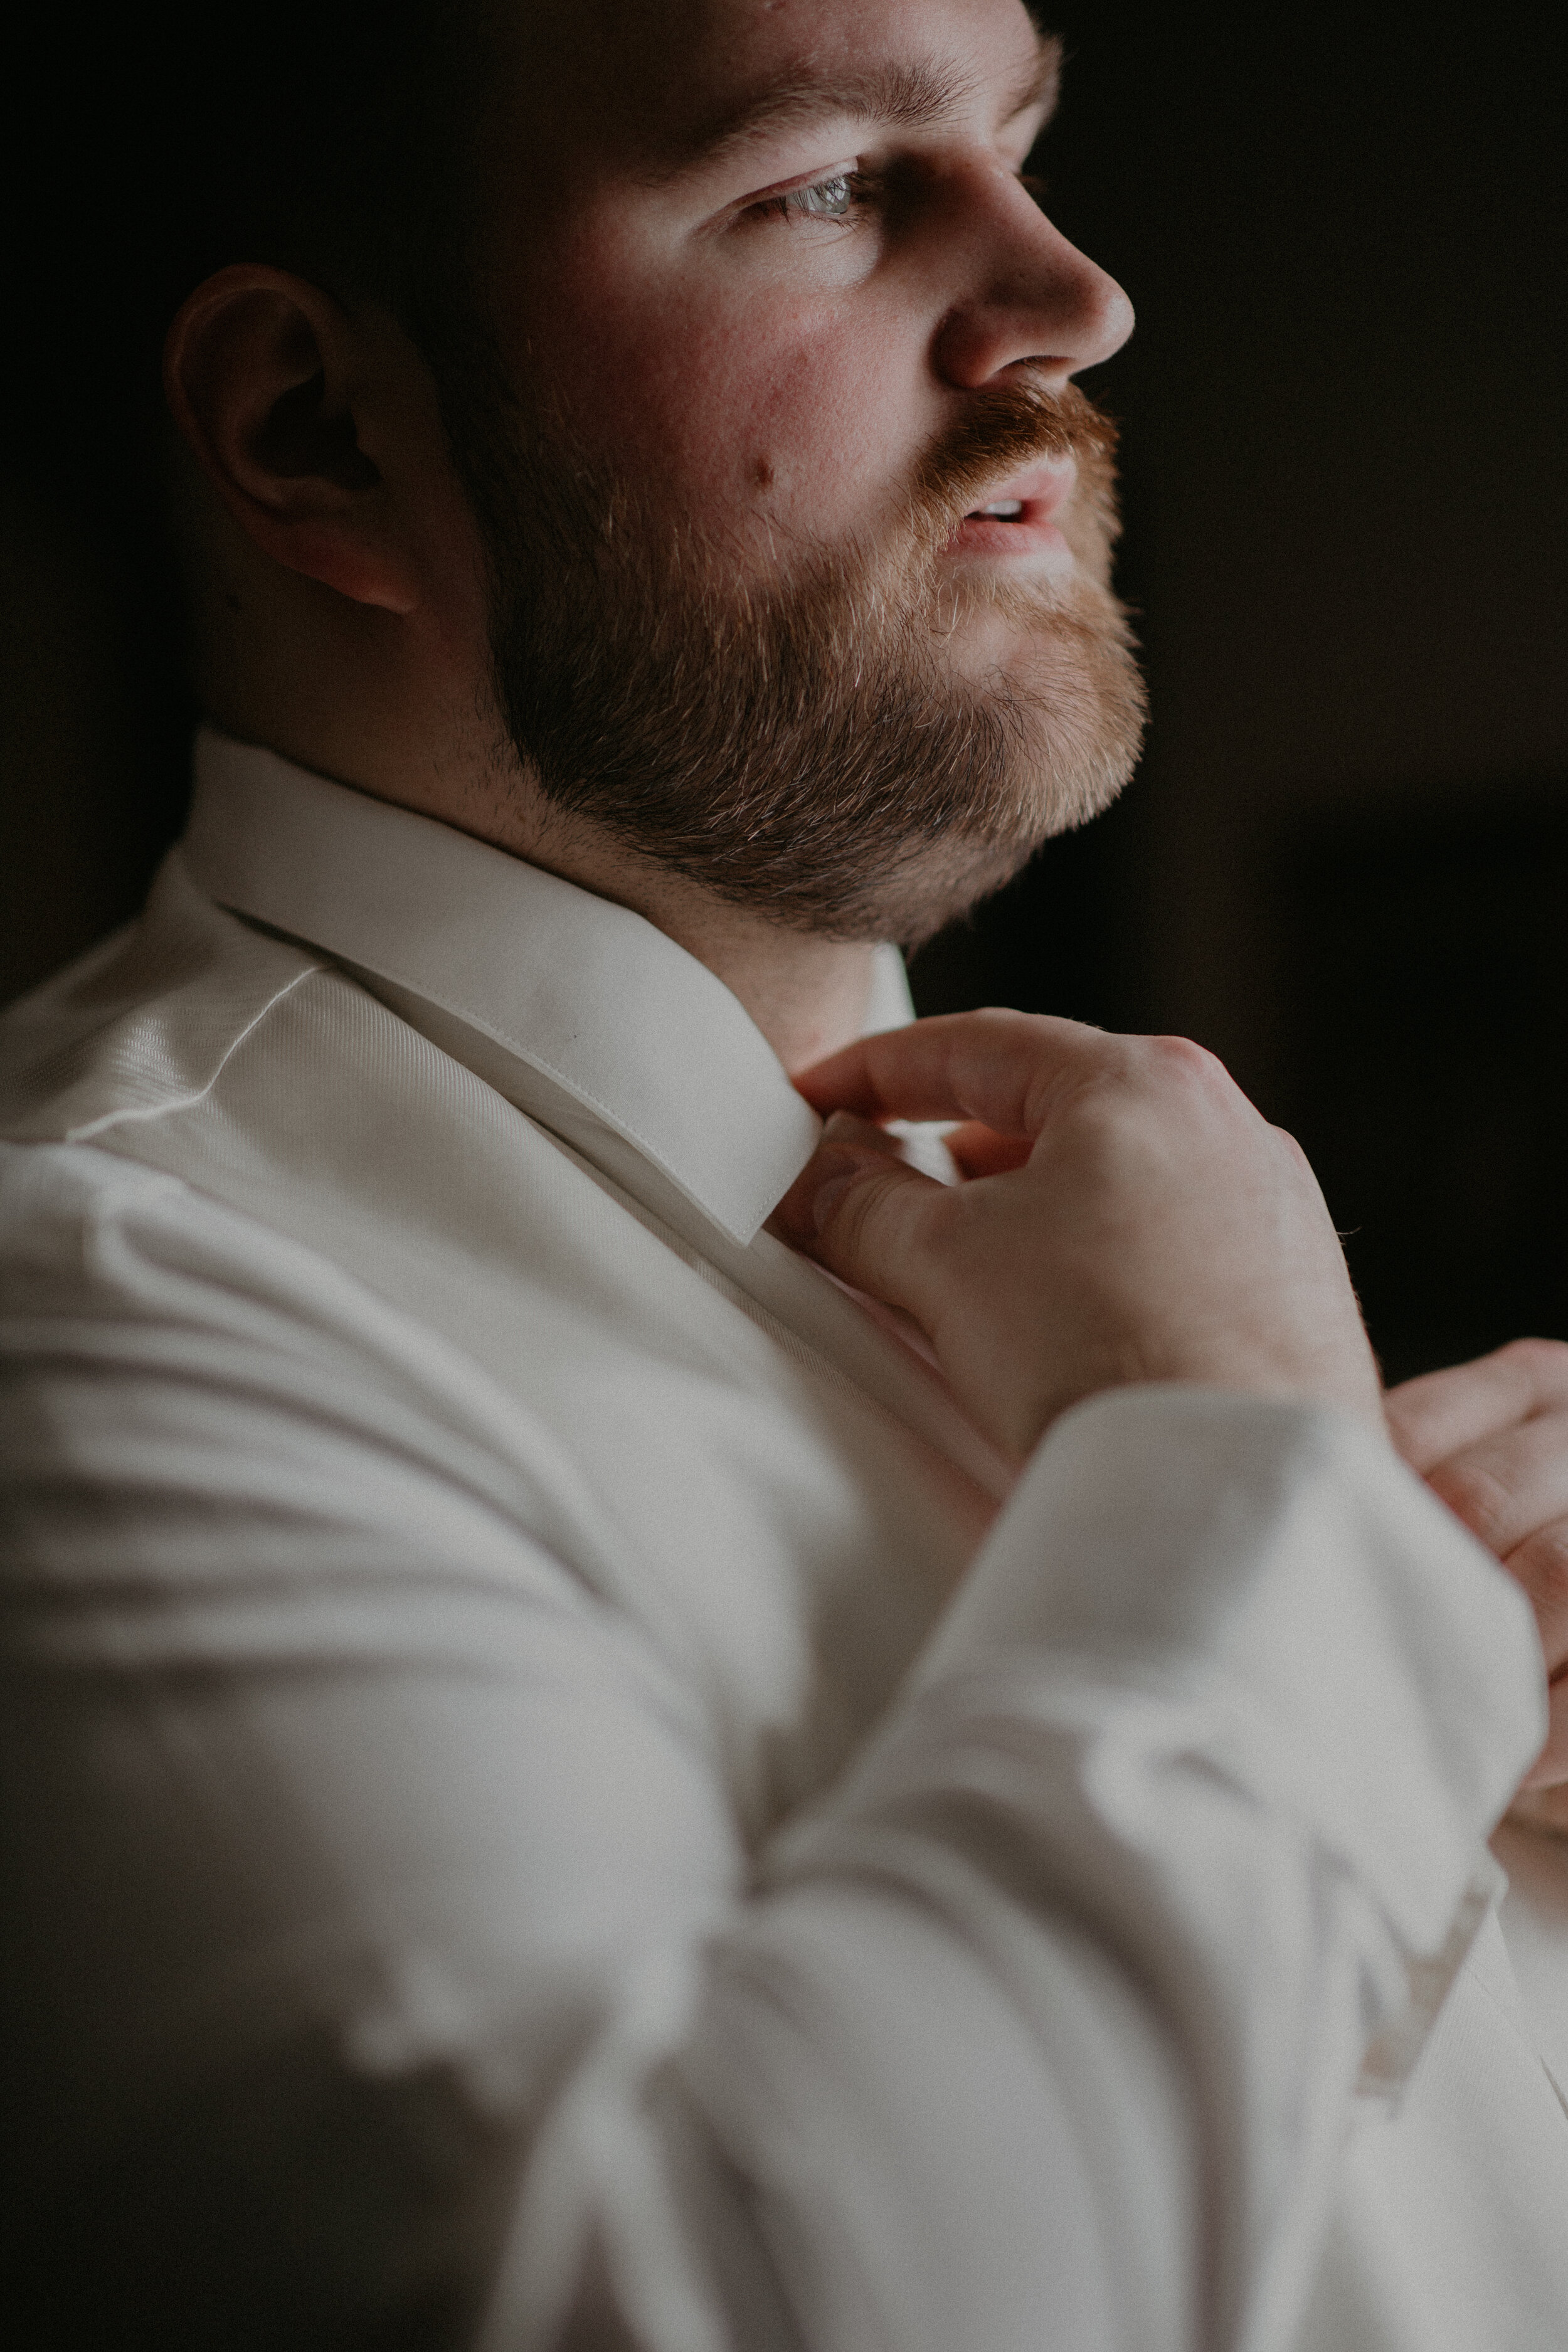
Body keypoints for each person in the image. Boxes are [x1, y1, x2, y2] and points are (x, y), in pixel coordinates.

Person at [3, 1, 1567, 2345]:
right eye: (829, 178)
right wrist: (1242, 1479)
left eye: (1024, 142)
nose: (1073, 296)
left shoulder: (1132, 1243)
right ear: (315, 430)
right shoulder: (89, 1312)